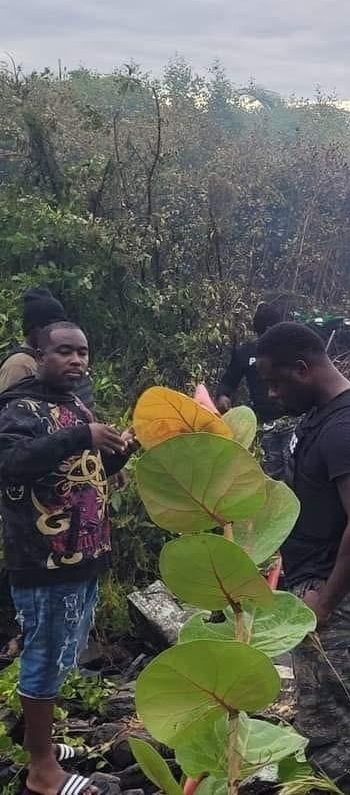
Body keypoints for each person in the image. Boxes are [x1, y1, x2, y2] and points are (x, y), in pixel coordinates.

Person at [255, 322, 350, 795]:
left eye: (276, 382)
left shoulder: (347, 427)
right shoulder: (320, 412)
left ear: (302, 368)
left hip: (336, 591)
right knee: (322, 711)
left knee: (336, 725)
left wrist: (326, 600)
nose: (272, 393)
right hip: (314, 581)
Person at [0, 322, 135, 795]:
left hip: (83, 557)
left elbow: (86, 468)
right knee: (45, 656)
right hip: (44, 560)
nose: (76, 361)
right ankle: (42, 773)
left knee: (62, 656)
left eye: (82, 352)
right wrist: (82, 435)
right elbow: (11, 462)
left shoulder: (75, 405)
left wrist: (121, 449)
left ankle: (40, 741)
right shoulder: (19, 408)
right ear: (38, 353)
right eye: (64, 351)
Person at [215, 302, 291, 478]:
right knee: (271, 478)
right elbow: (229, 380)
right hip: (265, 427)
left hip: (293, 422)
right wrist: (223, 396)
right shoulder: (246, 353)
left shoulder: (288, 351)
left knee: (296, 473)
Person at [0, 288, 94, 411]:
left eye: (82, 353)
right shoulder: (19, 364)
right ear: (33, 329)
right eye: (64, 352)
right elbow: (8, 413)